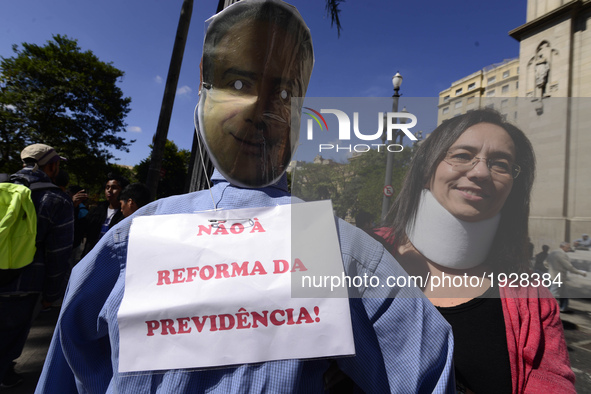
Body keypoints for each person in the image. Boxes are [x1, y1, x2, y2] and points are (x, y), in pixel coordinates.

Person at [36, 1, 454, 393]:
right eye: (240, 83)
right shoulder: (337, 247)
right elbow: (428, 369)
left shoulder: (131, 240)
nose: (259, 108)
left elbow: (66, 369)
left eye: (283, 93)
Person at [376, 109, 576, 392]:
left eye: (501, 164)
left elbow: (553, 382)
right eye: (461, 155)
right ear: (426, 170)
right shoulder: (357, 255)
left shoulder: (533, 296)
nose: (481, 171)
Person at [0, 144, 74, 388]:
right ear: (51, 166)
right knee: (8, 341)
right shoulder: (56, 199)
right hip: (24, 284)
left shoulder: (3, 188)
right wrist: (51, 295)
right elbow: (58, 253)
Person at [80, 172, 128, 257]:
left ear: (122, 191)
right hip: (90, 256)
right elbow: (81, 228)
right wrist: (74, 206)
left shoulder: (125, 214)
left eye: (114, 188)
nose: (109, 190)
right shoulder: (97, 210)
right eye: (107, 187)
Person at [545, 242, 587, 312]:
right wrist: (581, 273)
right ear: (562, 247)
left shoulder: (553, 252)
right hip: (558, 277)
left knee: (564, 294)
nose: (569, 249)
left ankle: (563, 308)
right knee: (553, 293)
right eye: (568, 247)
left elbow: (545, 263)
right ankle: (547, 308)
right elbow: (569, 267)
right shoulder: (562, 254)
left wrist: (551, 269)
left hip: (552, 275)